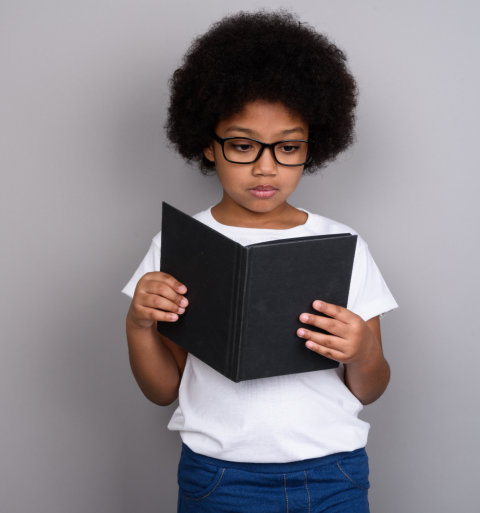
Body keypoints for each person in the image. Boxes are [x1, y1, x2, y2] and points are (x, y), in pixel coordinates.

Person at [122, 10, 398, 513]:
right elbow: (163, 390)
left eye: (288, 147)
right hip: (218, 475)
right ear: (208, 143)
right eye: (243, 145)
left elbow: (372, 386)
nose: (266, 166)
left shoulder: (343, 242)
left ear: (312, 147)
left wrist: (360, 352)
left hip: (331, 470)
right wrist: (138, 324)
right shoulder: (182, 243)